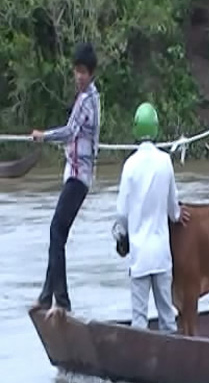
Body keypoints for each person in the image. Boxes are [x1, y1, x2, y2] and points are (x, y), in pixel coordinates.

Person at [31, 42, 101, 316]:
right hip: (75, 176)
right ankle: (48, 296)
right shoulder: (86, 97)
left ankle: (61, 300)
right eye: (77, 71)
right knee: (57, 233)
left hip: (78, 178)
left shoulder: (87, 100)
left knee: (56, 232)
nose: (79, 76)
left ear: (91, 73)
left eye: (84, 72)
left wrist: (43, 136)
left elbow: (71, 132)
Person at [112, 102, 190, 333]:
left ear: (135, 128)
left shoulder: (129, 166)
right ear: (156, 128)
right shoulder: (165, 161)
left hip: (139, 258)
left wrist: (121, 236)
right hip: (161, 256)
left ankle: (142, 364)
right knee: (167, 317)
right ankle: (174, 361)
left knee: (139, 321)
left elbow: (122, 214)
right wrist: (177, 215)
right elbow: (172, 207)